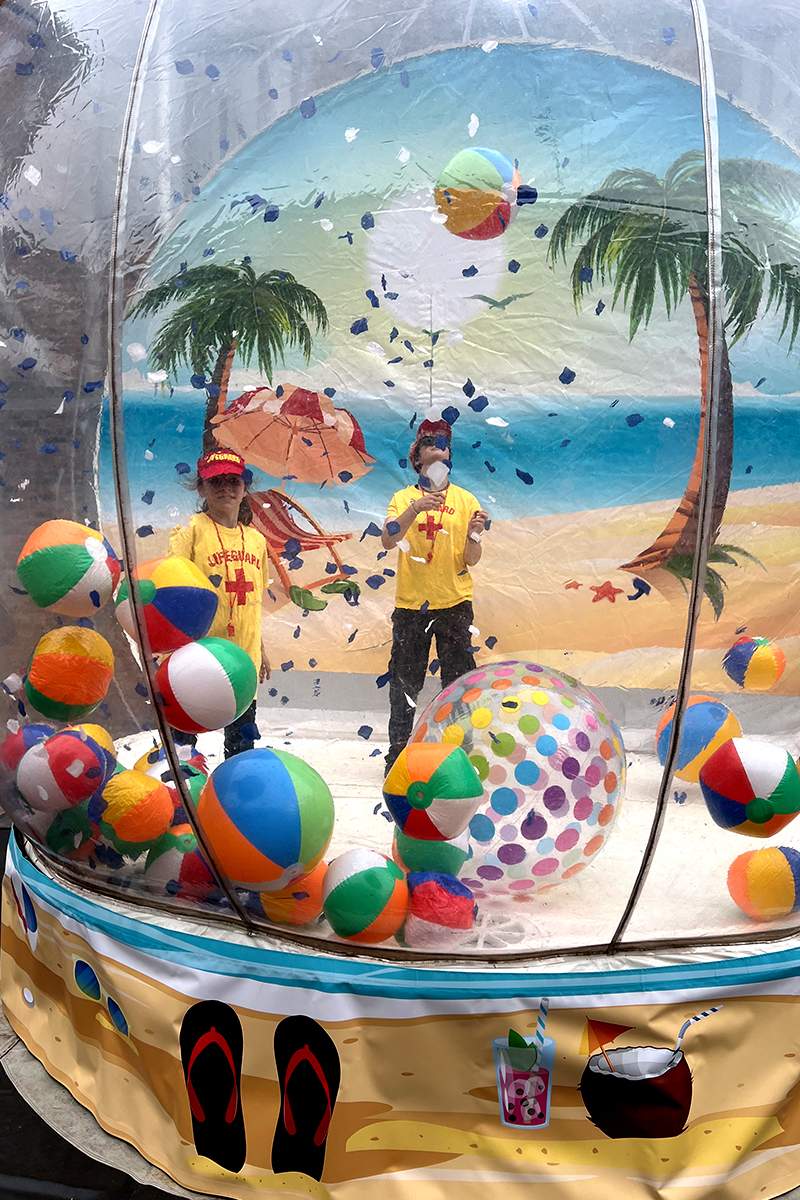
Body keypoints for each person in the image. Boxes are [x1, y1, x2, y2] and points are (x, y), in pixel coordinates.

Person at [381, 419, 488, 774]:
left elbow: (471, 559)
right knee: (404, 684)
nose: (437, 445)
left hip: (454, 604)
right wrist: (416, 508)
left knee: (458, 684)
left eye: (443, 441)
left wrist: (474, 536)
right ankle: (397, 755)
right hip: (412, 606)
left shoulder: (466, 500)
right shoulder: (402, 498)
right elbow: (388, 539)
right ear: (417, 457)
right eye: (429, 441)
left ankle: (461, 754)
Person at [169, 449, 272, 758]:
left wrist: (261, 649)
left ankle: (233, 787)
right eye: (216, 482)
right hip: (199, 655)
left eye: (233, 481)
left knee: (241, 748)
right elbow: (172, 589)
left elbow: (251, 602)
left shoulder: (257, 541)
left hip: (244, 658)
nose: (226, 488)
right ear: (202, 488)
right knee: (182, 743)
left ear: (245, 488)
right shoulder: (190, 530)